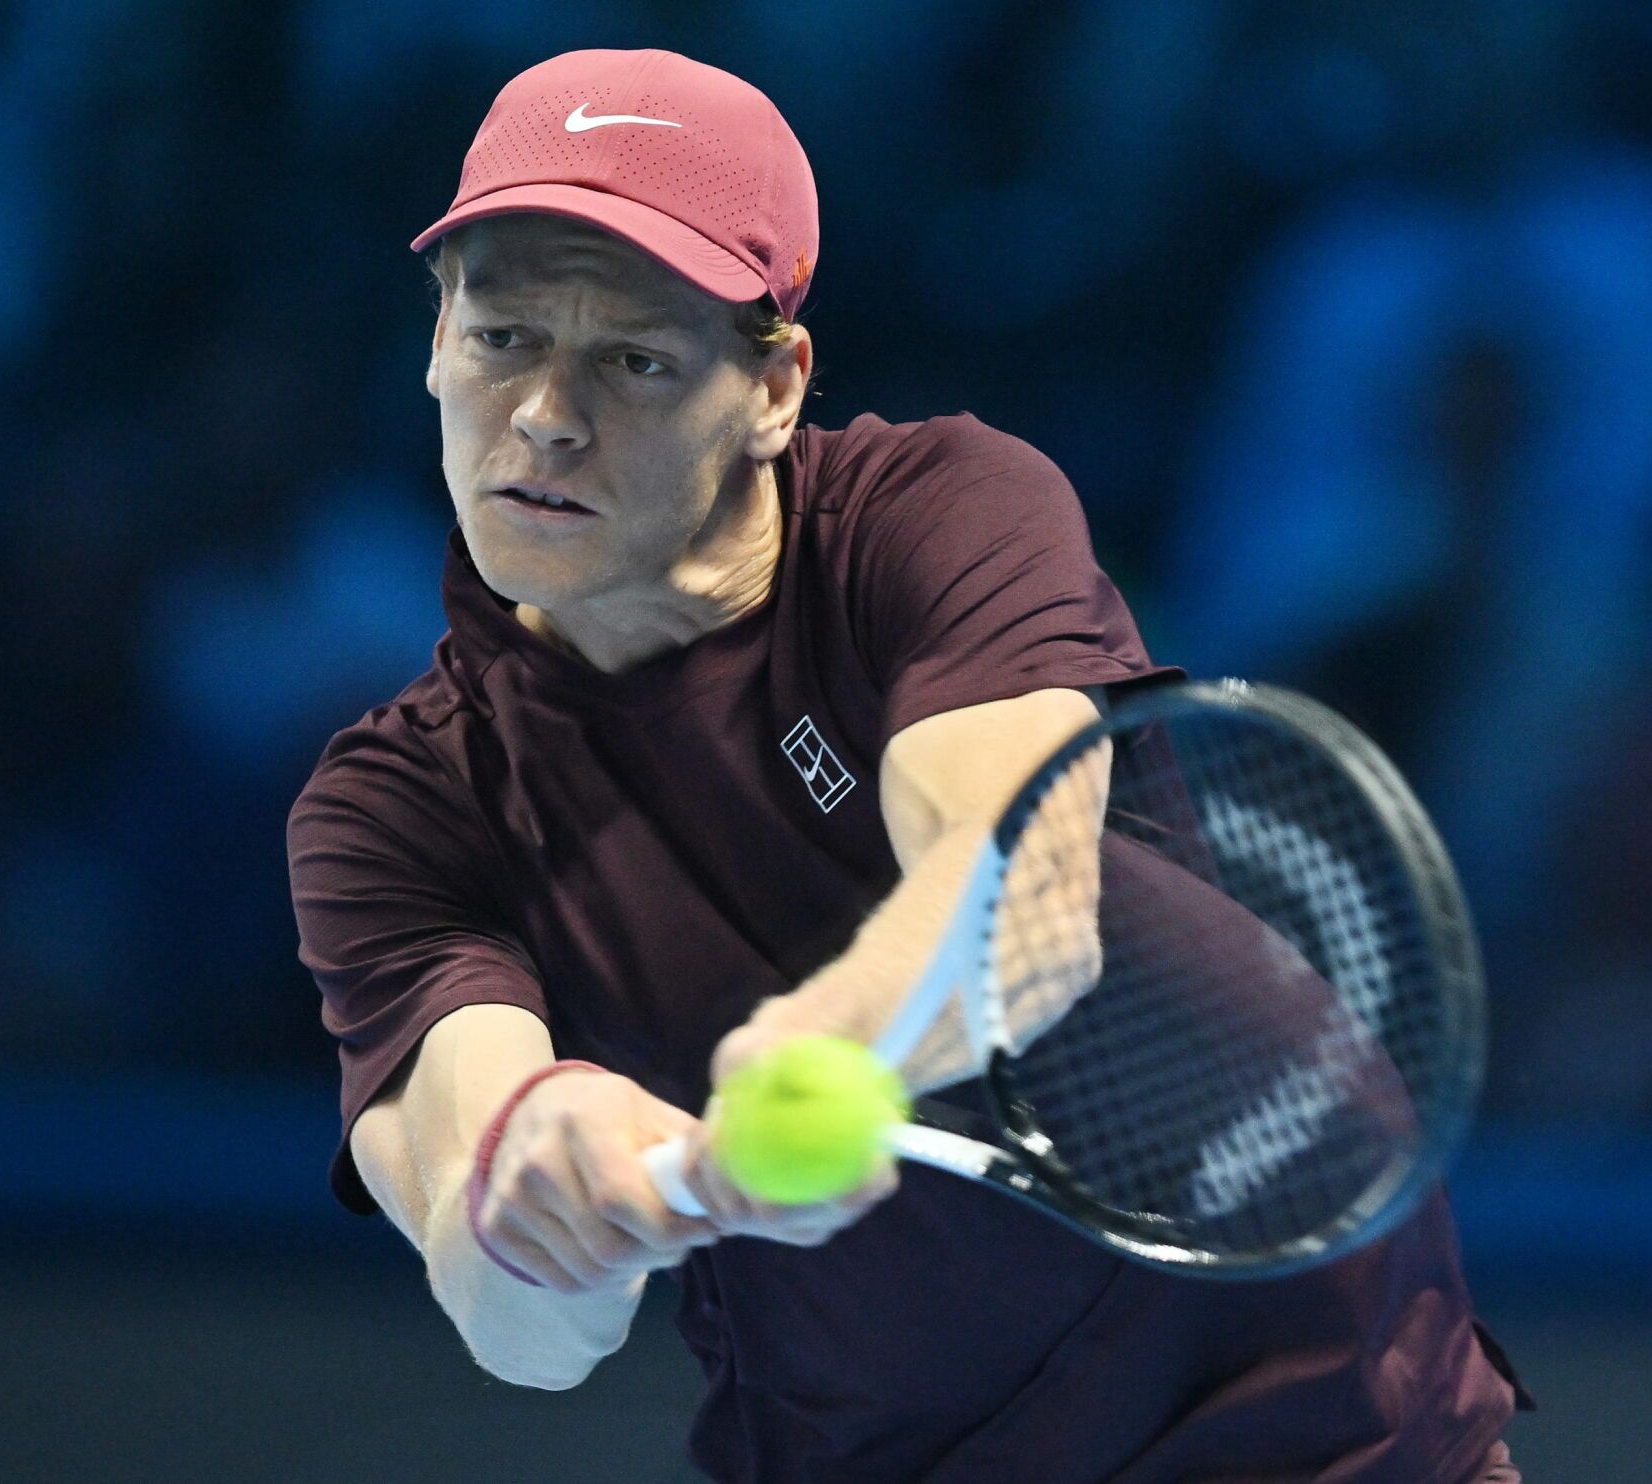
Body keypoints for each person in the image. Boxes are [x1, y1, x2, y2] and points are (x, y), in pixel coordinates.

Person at [288, 48, 1528, 1483]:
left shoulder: (939, 513)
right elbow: (521, 1324)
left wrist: (826, 1041)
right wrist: (541, 1185)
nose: (548, 414)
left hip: (1334, 1433)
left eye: (632, 357)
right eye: (502, 338)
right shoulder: (393, 808)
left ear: (773, 388)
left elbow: (1020, 896)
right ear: (435, 342)